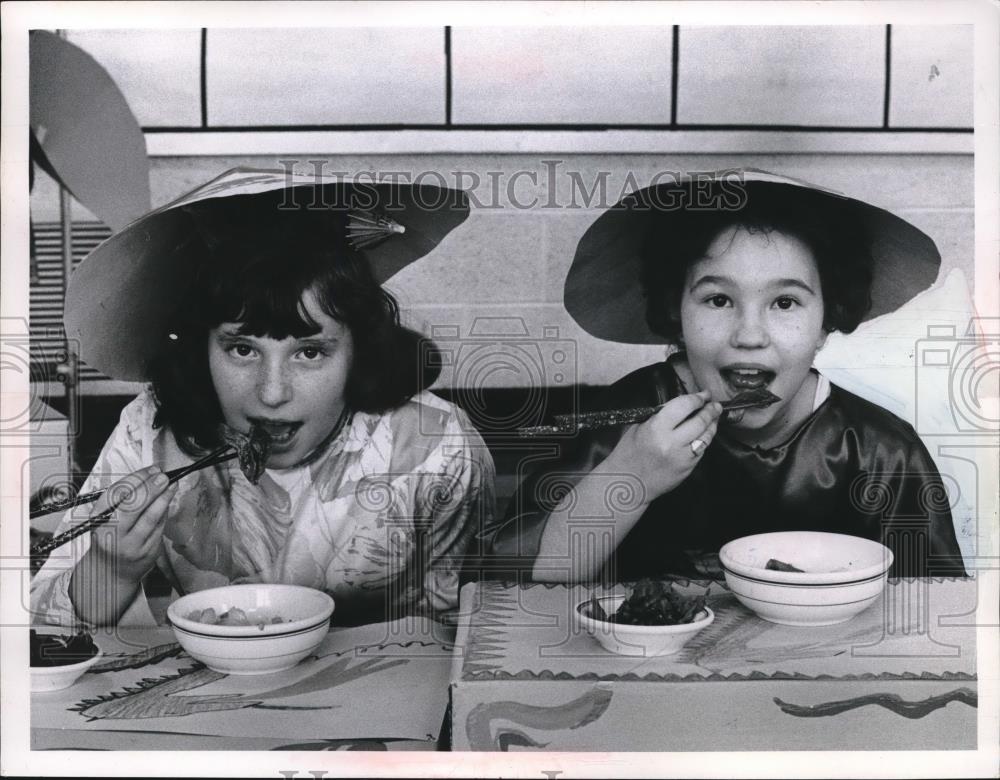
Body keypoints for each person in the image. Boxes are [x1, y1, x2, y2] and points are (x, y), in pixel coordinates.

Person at [31, 168, 495, 628]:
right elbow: (39, 628)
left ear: (360, 349)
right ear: (200, 347)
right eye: (242, 349)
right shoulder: (148, 431)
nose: (272, 393)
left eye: (310, 352)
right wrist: (110, 570)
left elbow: (472, 628)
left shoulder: (437, 448)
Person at [482, 170, 967, 582]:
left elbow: (932, 611)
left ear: (827, 321)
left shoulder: (883, 451)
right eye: (718, 300)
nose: (749, 335)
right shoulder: (626, 420)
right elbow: (508, 586)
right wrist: (628, 478)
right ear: (676, 313)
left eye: (785, 302)